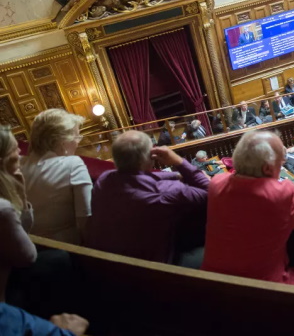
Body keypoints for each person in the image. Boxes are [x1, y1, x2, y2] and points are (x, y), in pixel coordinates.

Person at [202, 131, 294, 285]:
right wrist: (293, 191)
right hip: (263, 291)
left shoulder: (216, 183)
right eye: (281, 164)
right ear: (268, 169)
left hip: (210, 284)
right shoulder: (280, 194)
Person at [85, 131, 209, 264]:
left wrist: (176, 175)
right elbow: (210, 190)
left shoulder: (104, 180)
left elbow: (136, 177)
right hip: (152, 273)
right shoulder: (165, 191)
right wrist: (178, 161)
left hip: (106, 268)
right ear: (151, 156)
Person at [19, 109, 91, 245]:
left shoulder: (16, 163)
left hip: (25, 246)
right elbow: (86, 221)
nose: (78, 142)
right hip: (66, 250)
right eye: (77, 137)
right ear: (62, 142)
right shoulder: (73, 164)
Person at [0, 126, 37, 302]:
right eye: (15, 149)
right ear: (3, 160)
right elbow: (28, 256)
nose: (20, 152)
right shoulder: (3, 209)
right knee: (59, 261)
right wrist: (21, 195)